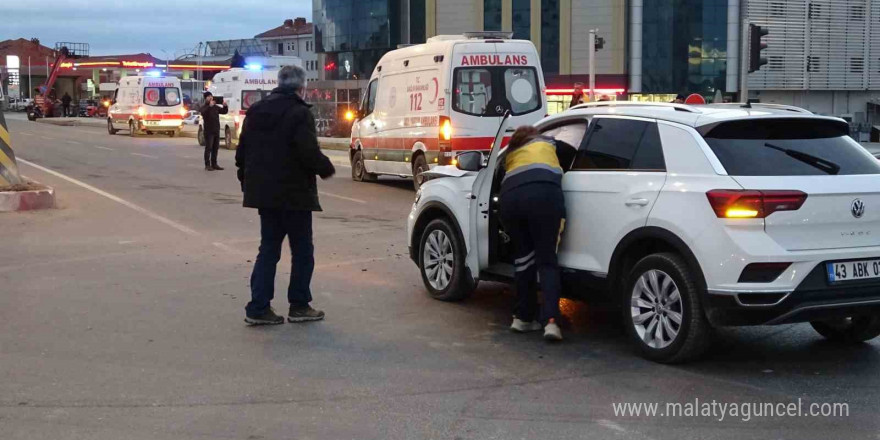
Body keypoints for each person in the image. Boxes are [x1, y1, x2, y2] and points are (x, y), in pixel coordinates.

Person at [236, 65, 336, 325]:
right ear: (301, 87)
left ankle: (258, 307)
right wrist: (326, 168)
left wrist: (248, 182)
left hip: (265, 195)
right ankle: (299, 305)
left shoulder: (256, 110)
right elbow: (307, 151)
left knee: (268, 249)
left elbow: (242, 151)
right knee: (302, 250)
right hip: (294, 195)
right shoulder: (299, 112)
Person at [500, 126, 569, 341]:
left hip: (510, 200)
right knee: (547, 260)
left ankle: (522, 318)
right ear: (534, 134)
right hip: (543, 196)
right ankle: (551, 322)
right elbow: (574, 154)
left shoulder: (511, 153)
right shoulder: (549, 142)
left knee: (523, 259)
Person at [200, 92, 228, 171]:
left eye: (211, 96)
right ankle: (207, 165)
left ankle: (214, 164)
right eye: (208, 96)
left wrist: (225, 106)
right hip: (209, 131)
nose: (210, 98)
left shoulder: (215, 107)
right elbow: (203, 113)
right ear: (205, 98)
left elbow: (223, 111)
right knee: (209, 148)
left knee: (215, 148)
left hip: (216, 130)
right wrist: (209, 106)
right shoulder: (204, 107)